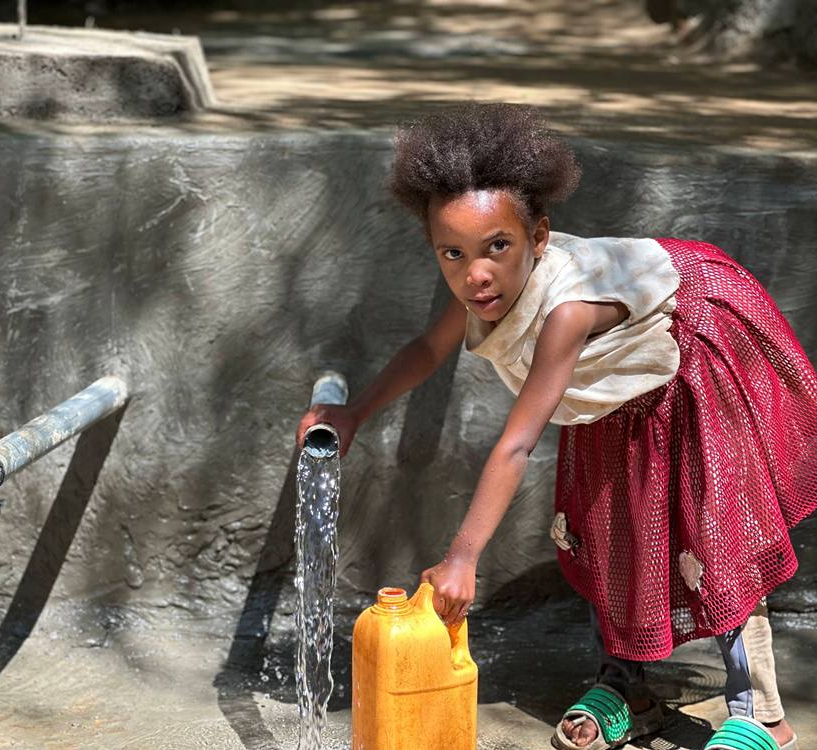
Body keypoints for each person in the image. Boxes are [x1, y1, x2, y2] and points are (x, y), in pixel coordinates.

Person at [295, 103, 814, 750]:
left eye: (497, 248)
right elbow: (427, 351)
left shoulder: (566, 311)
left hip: (694, 363)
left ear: (539, 237)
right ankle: (629, 688)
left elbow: (516, 443)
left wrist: (462, 556)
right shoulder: (480, 295)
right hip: (614, 397)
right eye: (451, 253)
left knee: (715, 537)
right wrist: (354, 412)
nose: (474, 272)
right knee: (606, 530)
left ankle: (762, 716)